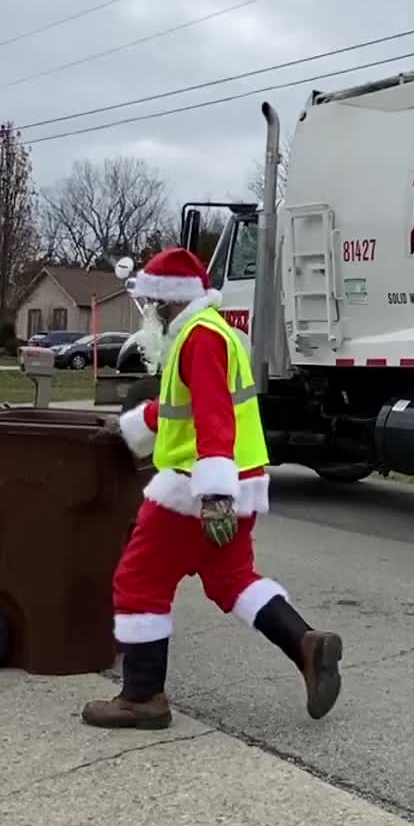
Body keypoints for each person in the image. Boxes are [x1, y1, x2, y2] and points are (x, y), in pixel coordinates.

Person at [83, 246, 343, 730]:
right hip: (236, 482)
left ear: (166, 302)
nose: (149, 315)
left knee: (139, 582)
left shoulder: (199, 339)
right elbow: (183, 409)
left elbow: (213, 418)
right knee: (231, 580)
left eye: (151, 304)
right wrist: (127, 428)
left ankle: (142, 697)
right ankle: (305, 644)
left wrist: (214, 495)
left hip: (193, 489)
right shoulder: (212, 332)